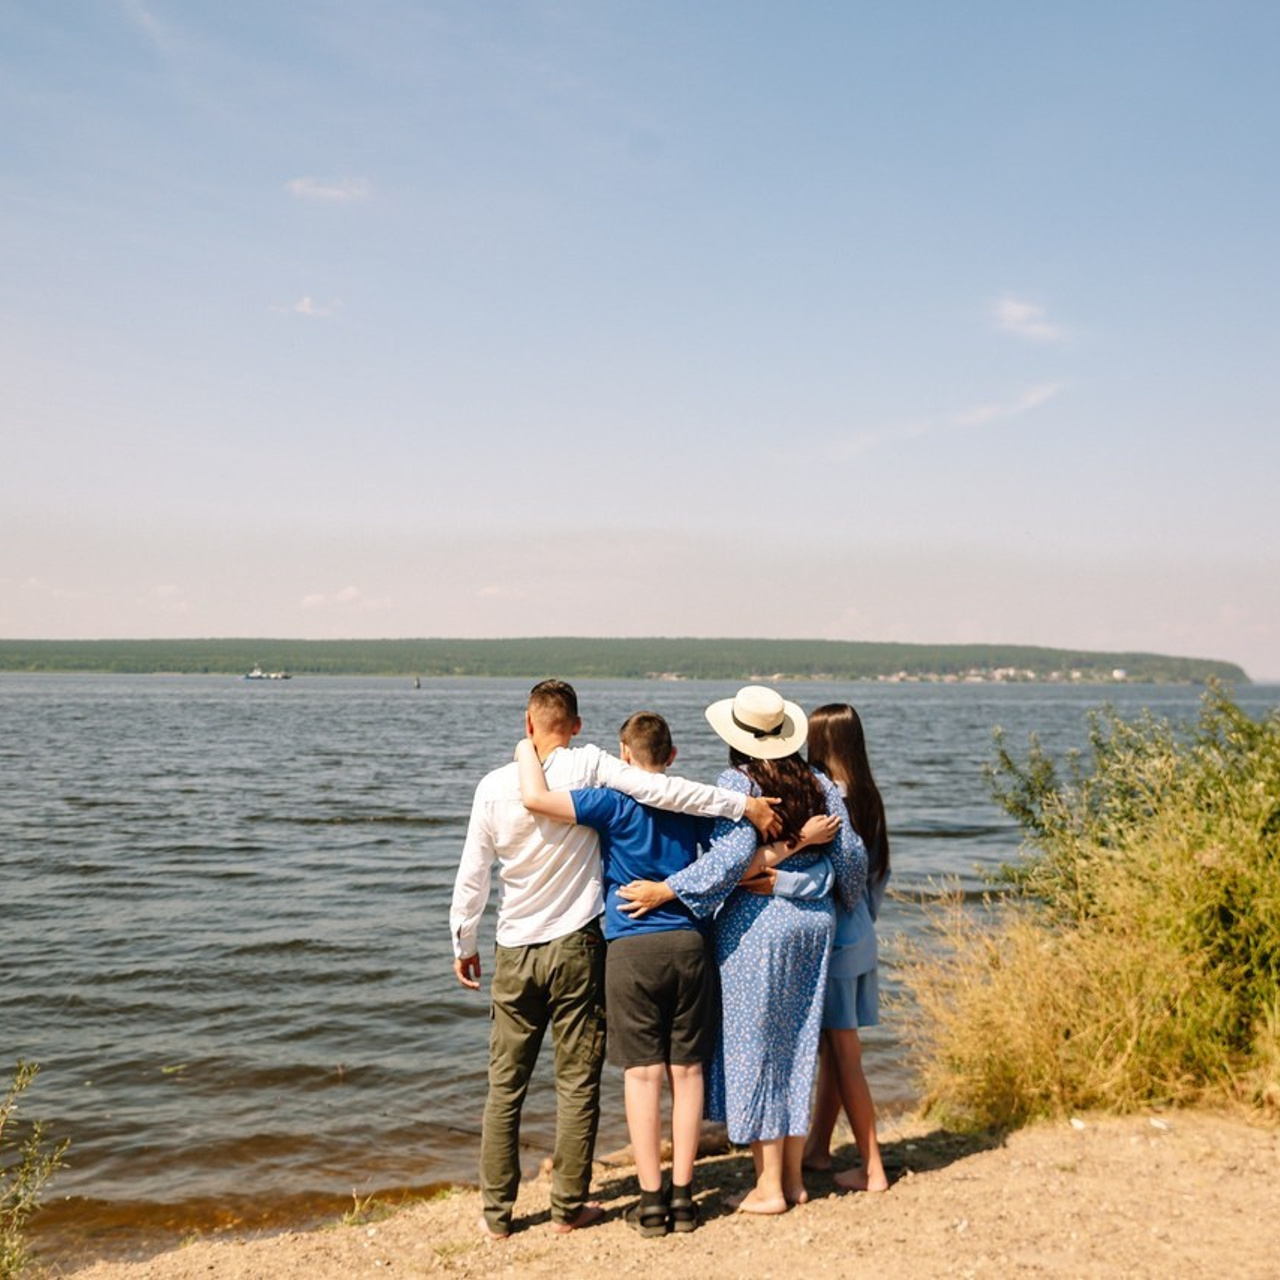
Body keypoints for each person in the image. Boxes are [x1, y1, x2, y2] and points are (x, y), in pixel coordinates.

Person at [449, 680, 780, 1241]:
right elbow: (683, 806)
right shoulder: (595, 771)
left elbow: (473, 873)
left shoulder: (506, 789)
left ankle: (497, 1216)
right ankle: (581, 1206)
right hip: (591, 944)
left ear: (529, 724)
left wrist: (464, 941)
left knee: (508, 1084)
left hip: (532, 947)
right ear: (577, 727)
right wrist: (747, 813)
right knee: (587, 1082)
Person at [515, 711, 836, 1237]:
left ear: (624, 755)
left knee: (641, 1077)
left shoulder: (609, 802)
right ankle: (685, 1198)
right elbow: (742, 864)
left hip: (630, 952)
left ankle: (650, 1202)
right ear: (672, 756)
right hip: (690, 946)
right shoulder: (695, 804)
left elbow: (537, 800)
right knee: (686, 1075)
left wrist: (527, 749)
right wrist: (796, 844)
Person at [619, 685, 866, 1215]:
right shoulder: (819, 781)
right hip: (813, 927)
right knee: (797, 1046)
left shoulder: (740, 784)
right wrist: (834, 891)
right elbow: (852, 857)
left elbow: (733, 861)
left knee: (756, 1051)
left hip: (758, 929)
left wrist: (668, 890)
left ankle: (769, 1187)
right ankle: (794, 1180)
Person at [799, 702, 891, 1192]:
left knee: (843, 1054)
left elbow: (823, 877)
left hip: (833, 940)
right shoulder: (869, 796)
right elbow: (878, 875)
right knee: (836, 1051)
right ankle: (817, 1148)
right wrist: (863, 922)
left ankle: (872, 1166)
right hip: (861, 937)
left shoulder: (827, 799)